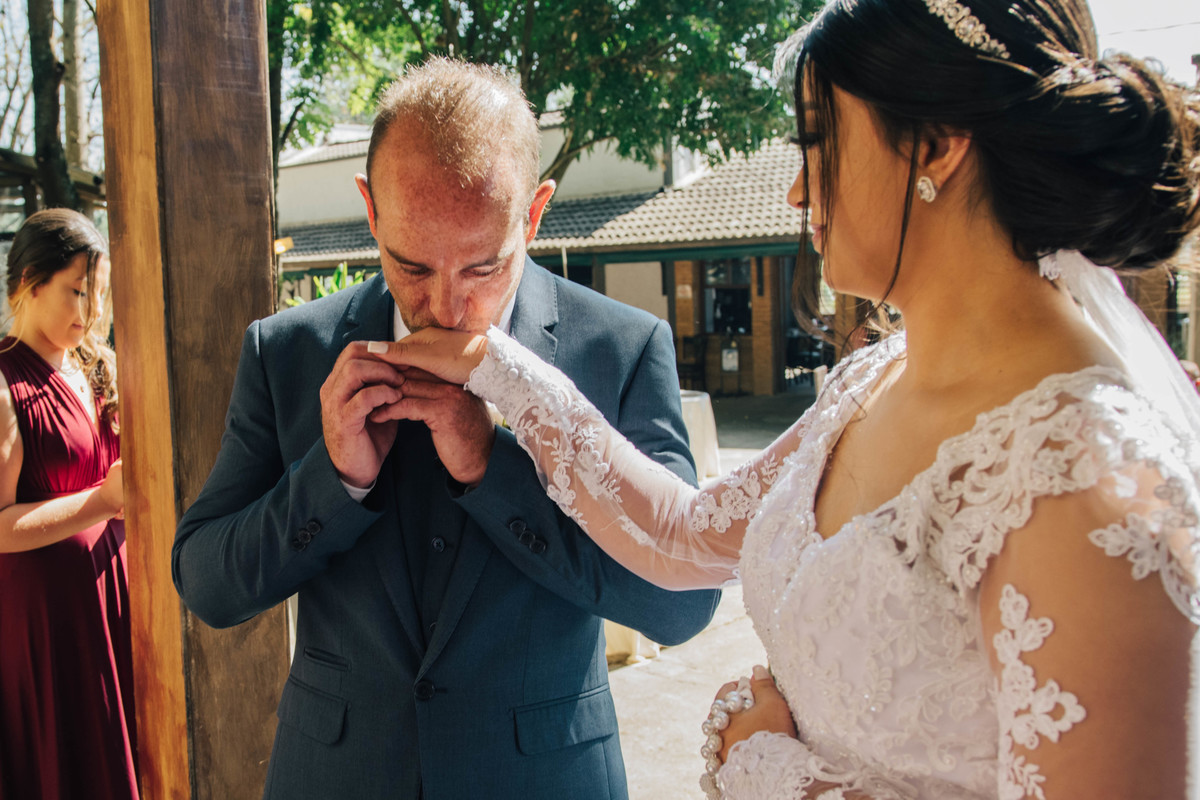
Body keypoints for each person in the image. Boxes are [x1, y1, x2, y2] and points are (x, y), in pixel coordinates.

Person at [379, 1, 1200, 796]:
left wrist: (769, 767)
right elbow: (684, 534)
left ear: (936, 145)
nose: (798, 192)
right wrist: (497, 367)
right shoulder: (871, 382)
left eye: (817, 144)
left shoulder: (1085, 477)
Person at [171, 57, 719, 800]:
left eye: (483, 268)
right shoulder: (288, 351)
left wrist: (494, 468)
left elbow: (681, 604)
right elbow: (207, 585)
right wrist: (332, 481)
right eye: (411, 266)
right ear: (370, 211)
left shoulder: (621, 349)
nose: (448, 308)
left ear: (533, 213)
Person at [0, 209, 133, 799]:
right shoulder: (4, 383)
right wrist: (101, 501)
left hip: (115, 605)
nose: (92, 310)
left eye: (98, 293)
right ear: (30, 282)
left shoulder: (99, 368)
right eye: (77, 291)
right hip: (50, 626)